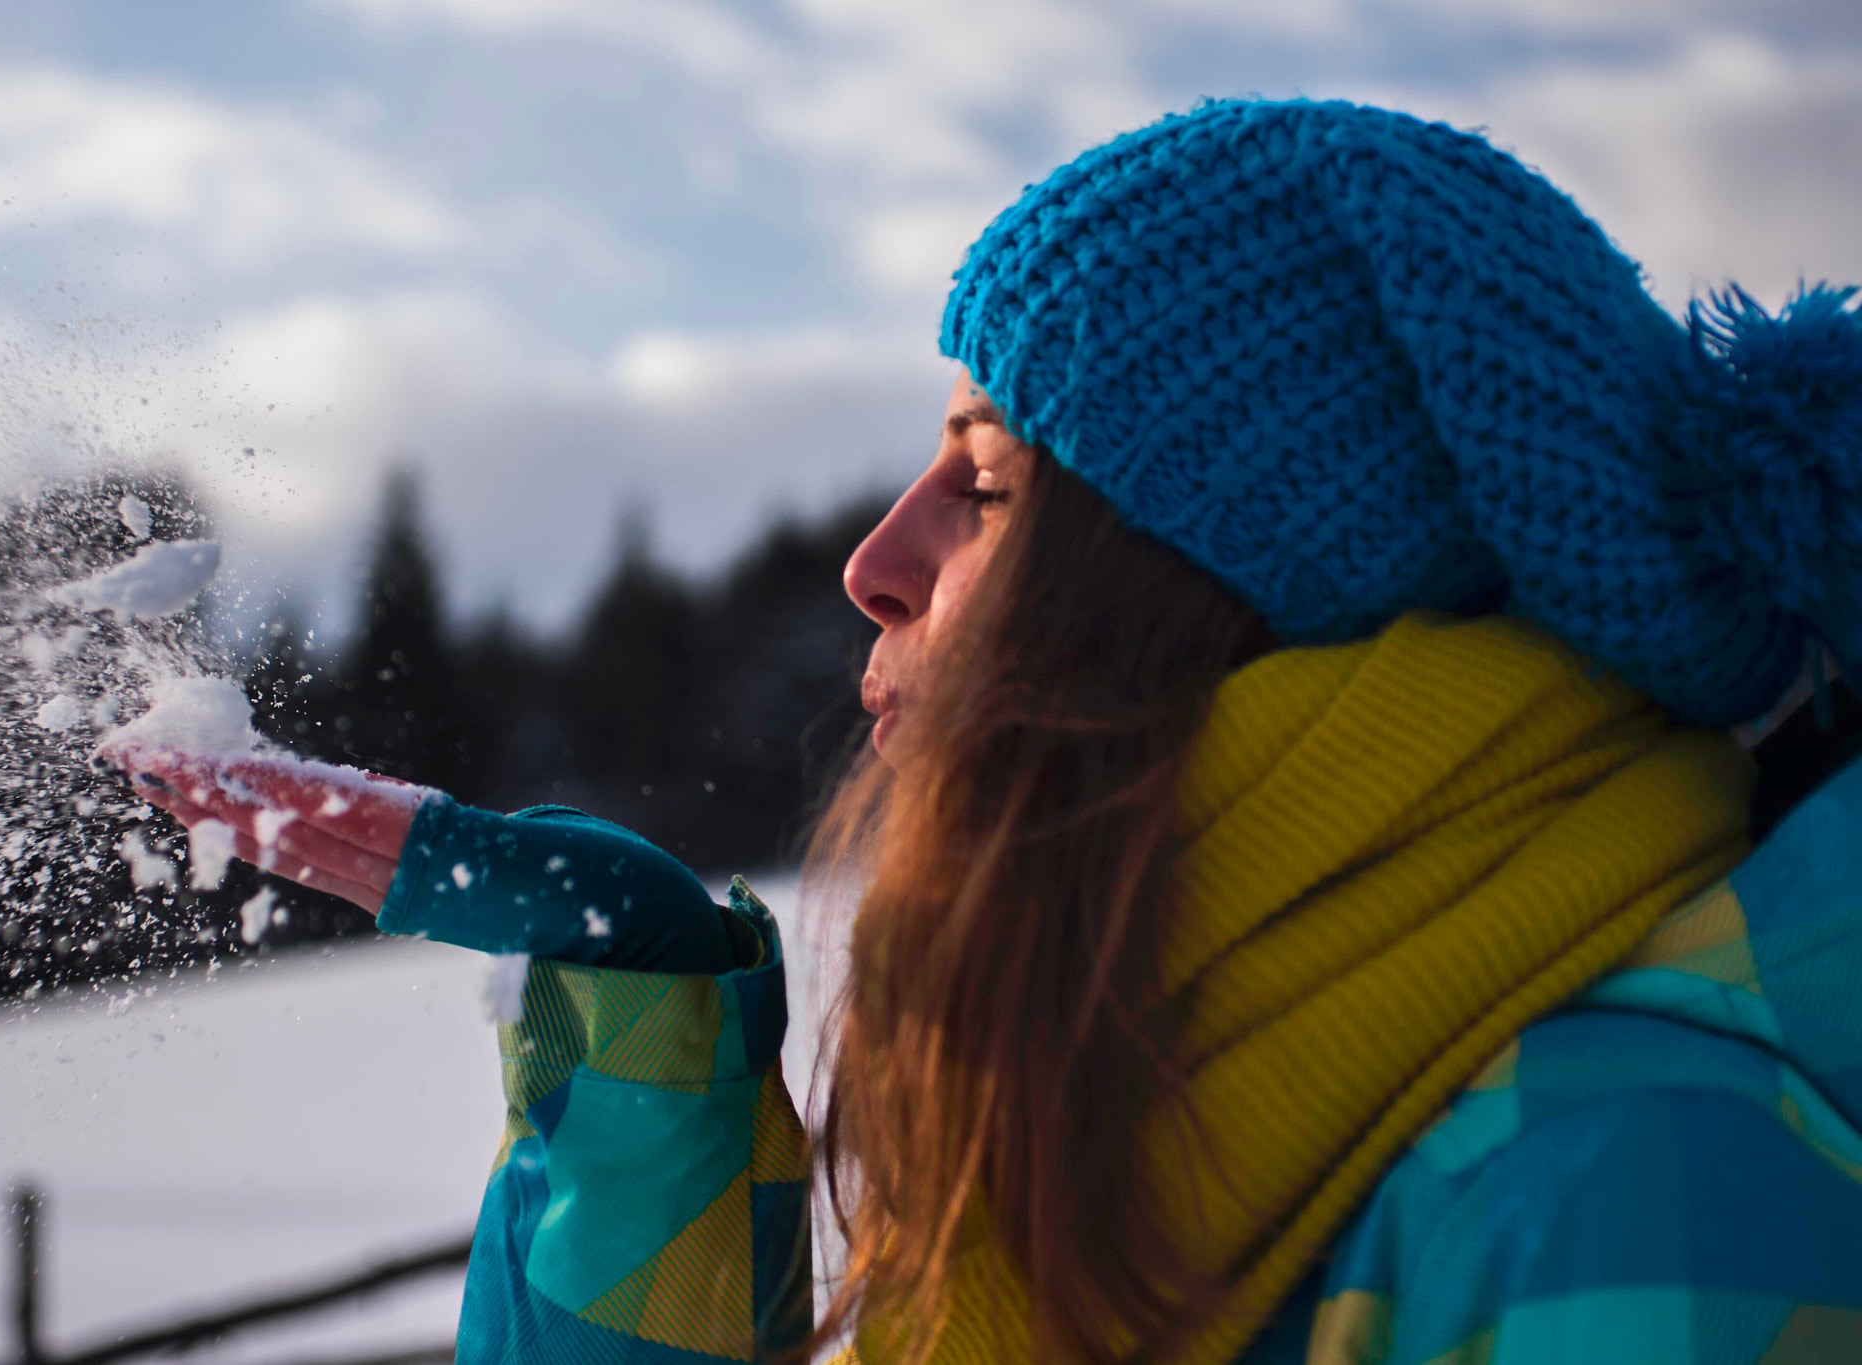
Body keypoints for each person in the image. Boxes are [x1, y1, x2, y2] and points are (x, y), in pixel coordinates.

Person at [104, 99, 1862, 1365]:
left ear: (1252, 593)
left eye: (993, 482)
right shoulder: (1094, 1101)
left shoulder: (1632, 1191)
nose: (876, 562)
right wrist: (645, 1083)